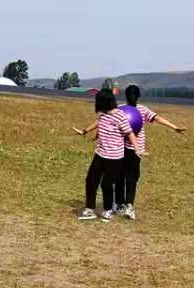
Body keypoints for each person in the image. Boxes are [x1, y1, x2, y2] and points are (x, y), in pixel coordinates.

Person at [113, 84, 185, 219]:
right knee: (131, 178)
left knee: (120, 176)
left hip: (121, 148)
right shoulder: (141, 109)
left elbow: (109, 123)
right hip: (135, 150)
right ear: (138, 96)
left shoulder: (120, 109)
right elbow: (158, 118)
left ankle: (120, 204)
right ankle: (128, 206)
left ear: (126, 96)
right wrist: (174, 127)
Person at [72, 89, 141, 221]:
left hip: (114, 158)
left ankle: (108, 210)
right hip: (100, 154)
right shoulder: (102, 114)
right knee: (91, 180)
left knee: (106, 184)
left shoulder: (120, 116)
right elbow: (98, 123)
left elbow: (130, 133)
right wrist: (85, 131)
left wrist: (136, 149)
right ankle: (90, 209)